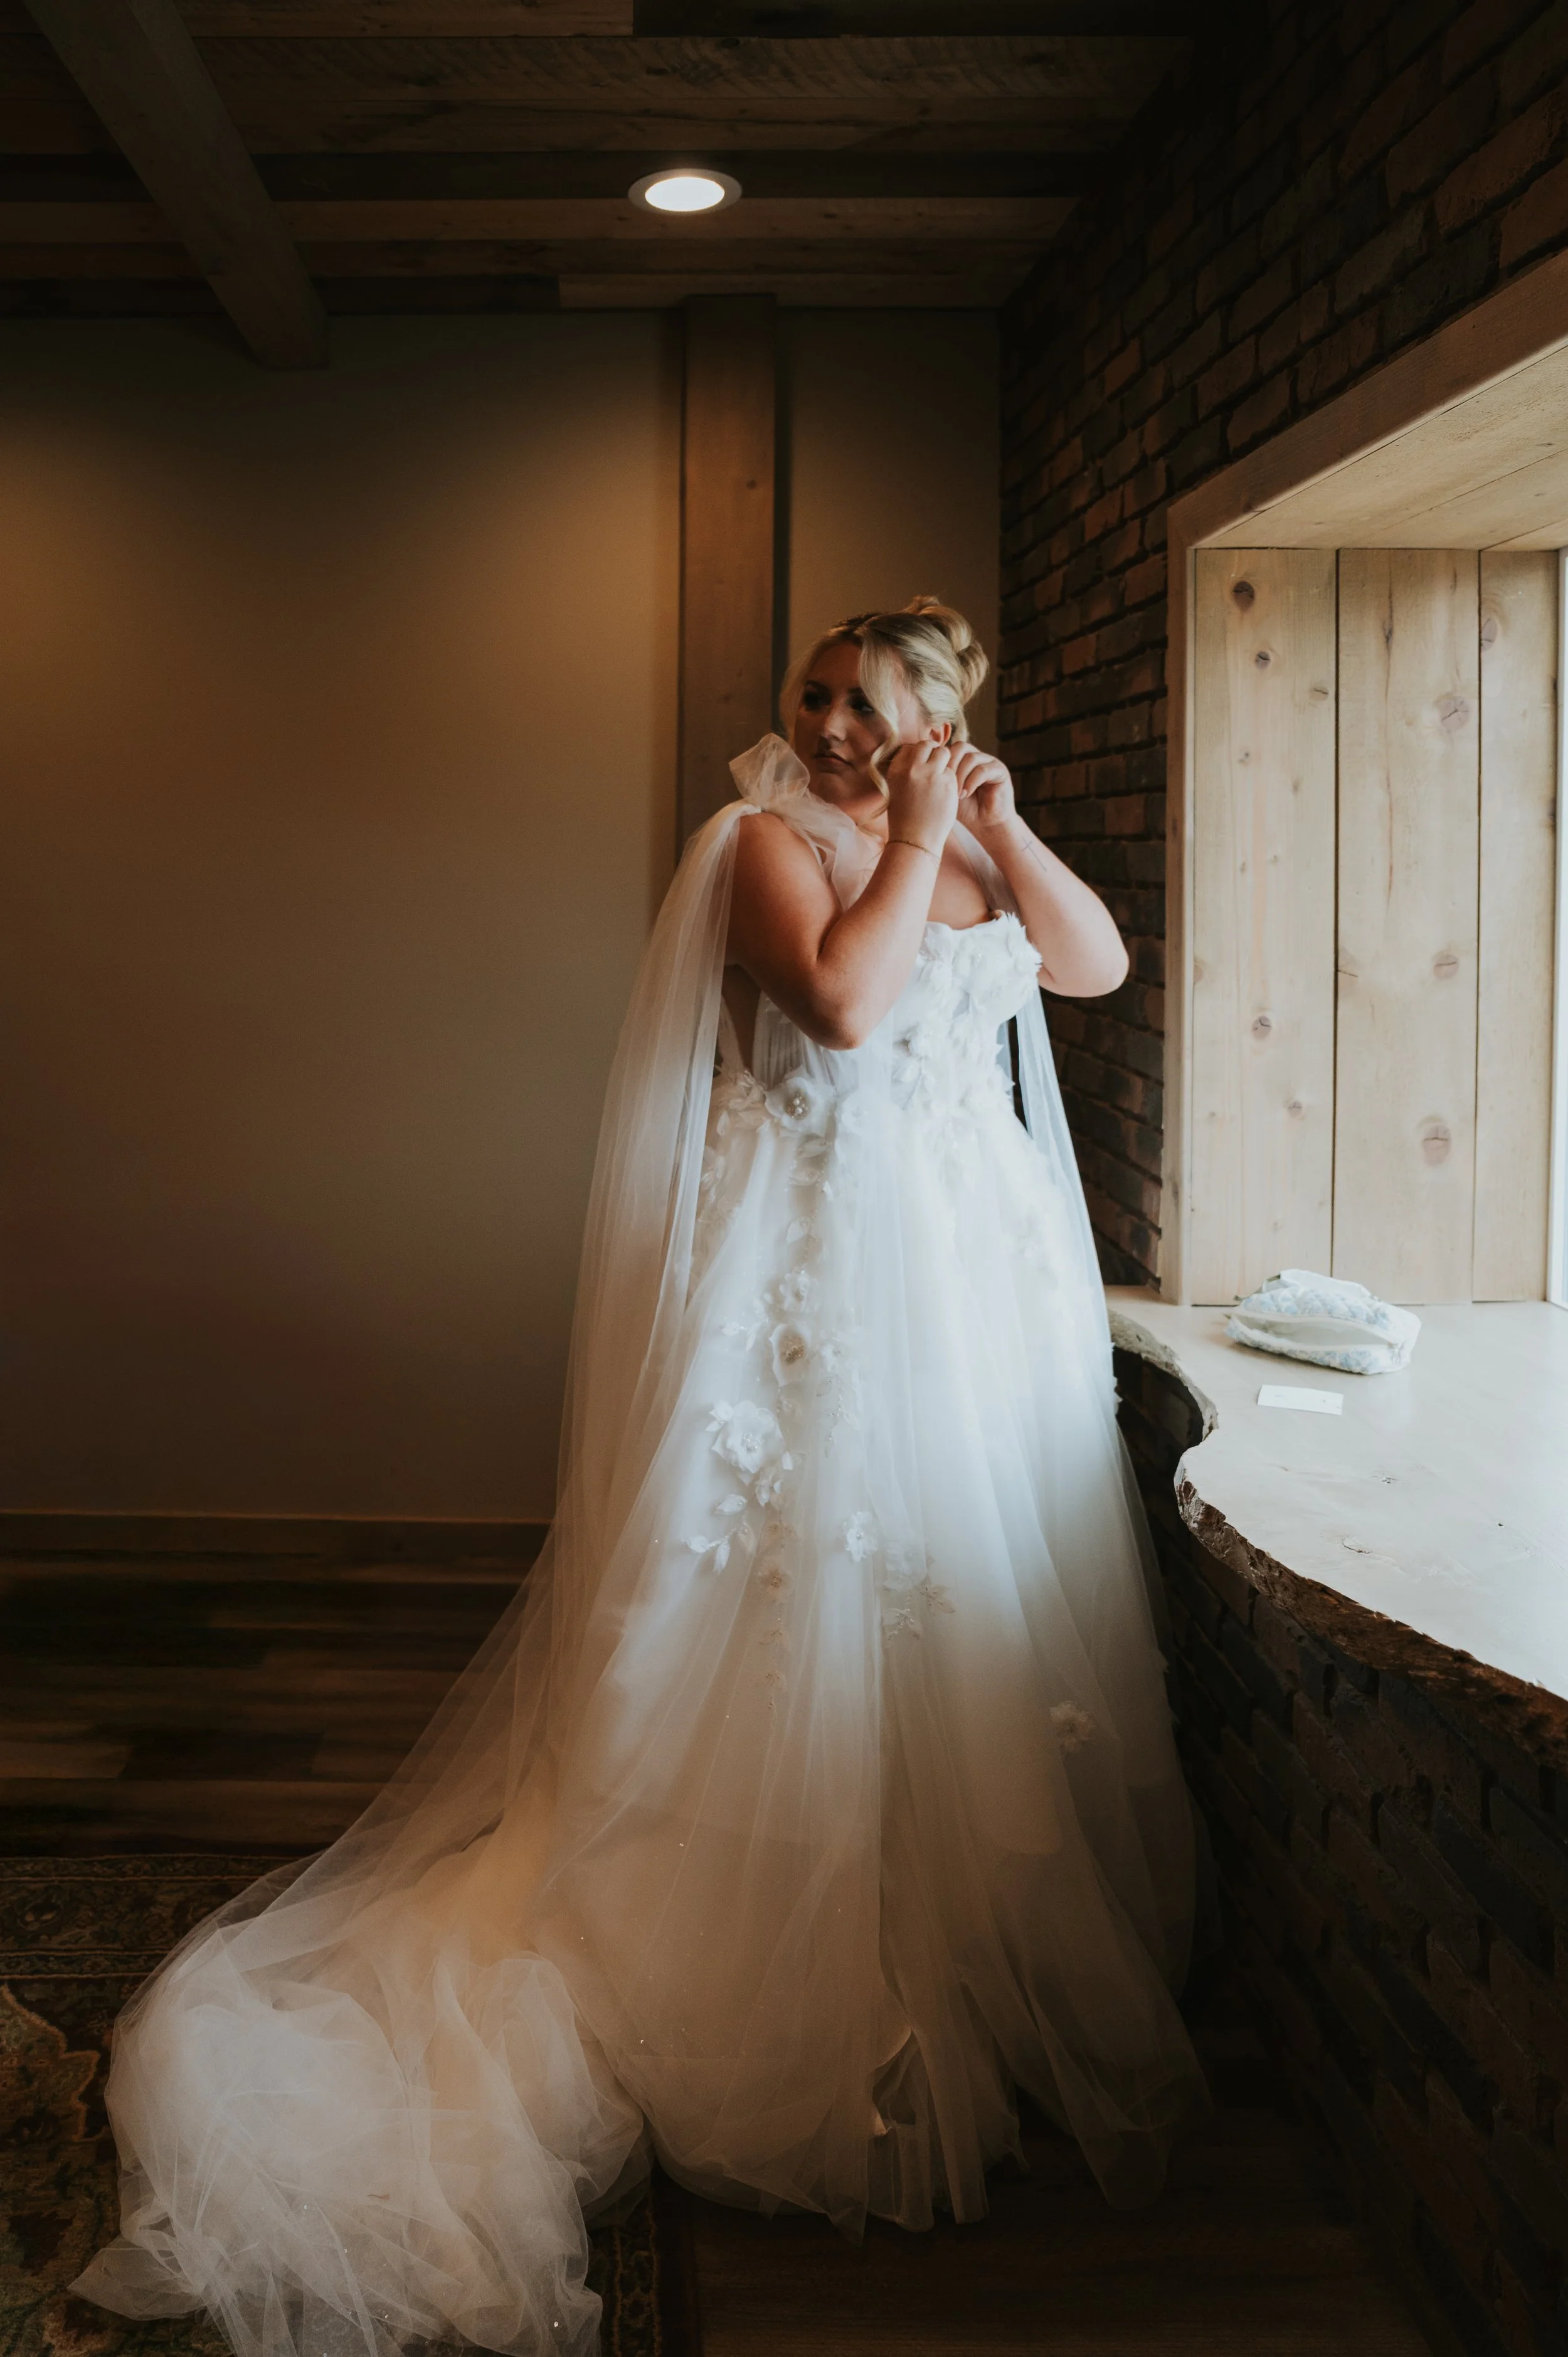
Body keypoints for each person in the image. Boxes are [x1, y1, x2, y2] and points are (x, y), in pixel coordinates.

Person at [74, 598, 1208, 2357]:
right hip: (816, 1302)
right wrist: (911, 834)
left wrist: (993, 823)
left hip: (968, 1304)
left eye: (870, 701)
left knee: (965, 1608)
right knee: (786, 1608)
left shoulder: (960, 837)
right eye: (815, 692)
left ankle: (956, 1967)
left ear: (933, 716)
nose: (828, 721)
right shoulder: (761, 847)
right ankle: (747, 1970)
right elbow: (839, 1010)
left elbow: (1091, 967)